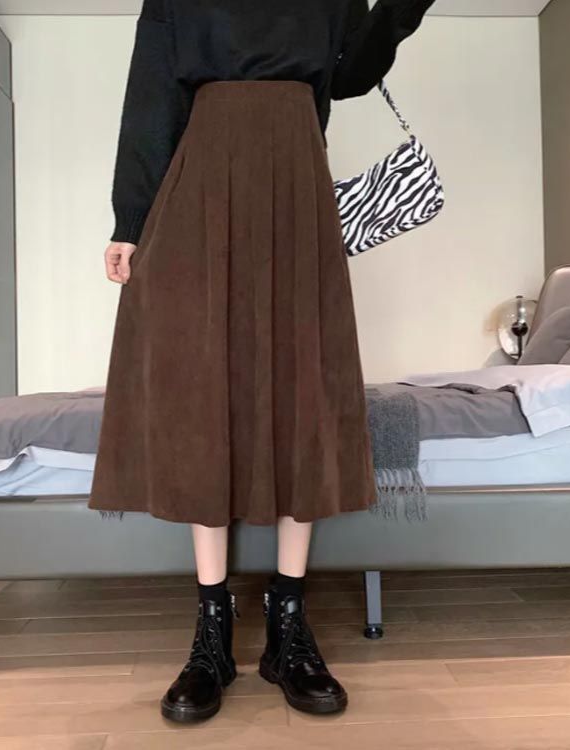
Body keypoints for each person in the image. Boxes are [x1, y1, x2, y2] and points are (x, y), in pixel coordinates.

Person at [88, 0, 435, 724]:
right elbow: (151, 96)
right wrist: (130, 220)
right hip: (200, 189)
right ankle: (211, 631)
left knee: (301, 385)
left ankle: (288, 624)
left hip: (296, 188)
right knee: (202, 385)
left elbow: (351, 73)